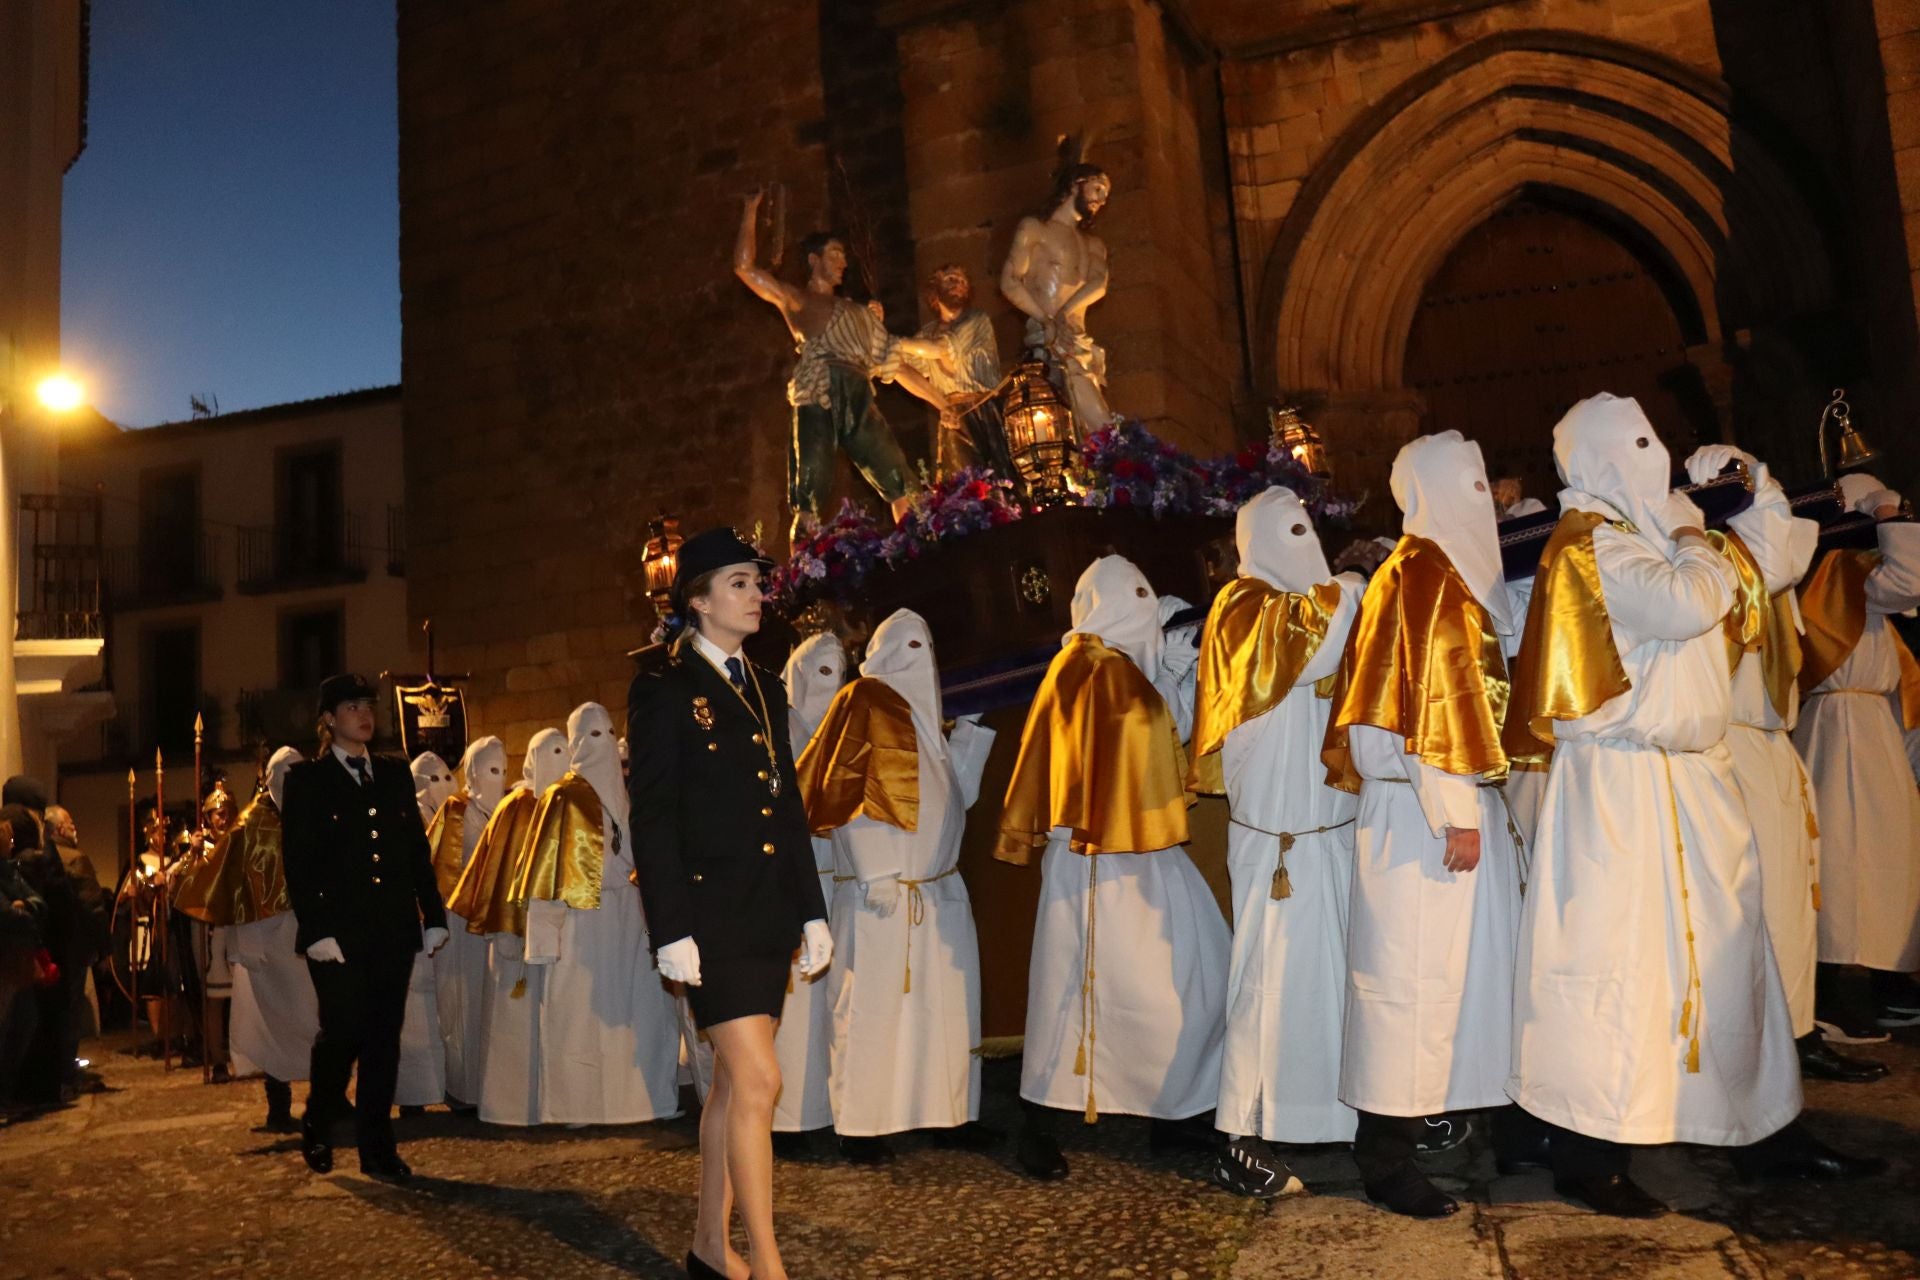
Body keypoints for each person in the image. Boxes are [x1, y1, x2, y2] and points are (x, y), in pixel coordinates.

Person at [1505, 394, 1879, 1219]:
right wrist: (1686, 526)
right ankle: (1587, 1147)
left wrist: (1753, 485)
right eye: (1636, 445)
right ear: (1599, 459)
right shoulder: (1587, 545)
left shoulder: (1664, 537)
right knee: (1620, 970)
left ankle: (1762, 1129)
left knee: (1734, 961)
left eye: (1658, 442)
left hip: (1700, 781)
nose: (1654, 458)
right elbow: (1685, 602)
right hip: (1618, 791)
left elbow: (1772, 562)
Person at [1321, 431, 1525, 1219]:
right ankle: (1385, 1158)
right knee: (1409, 988)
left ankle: (1488, 1125)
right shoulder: (1423, 577)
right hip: (1425, 818)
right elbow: (1428, 707)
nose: (1486, 503)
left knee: (1466, 984)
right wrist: (1453, 810)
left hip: (1450, 808)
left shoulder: (1434, 574)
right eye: (1470, 487)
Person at [629, 527, 833, 1280]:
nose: (756, 595)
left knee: (728, 1085)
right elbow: (652, 815)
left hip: (763, 911)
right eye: (740, 582)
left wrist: (809, 909)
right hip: (709, 915)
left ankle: (710, 1246)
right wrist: (670, 928)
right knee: (761, 1082)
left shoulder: (765, 684)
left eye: (757, 582)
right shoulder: (663, 687)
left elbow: (786, 805)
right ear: (699, 600)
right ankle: (769, 1265)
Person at [996, 555, 1229, 1181]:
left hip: (1143, 851)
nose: (1147, 613)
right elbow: (1146, 733)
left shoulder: (1105, 667)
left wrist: (1174, 679)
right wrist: (1175, 681)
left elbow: (1155, 738)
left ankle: (1176, 1113)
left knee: (1191, 981)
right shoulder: (1089, 666)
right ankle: (1037, 1124)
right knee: (1080, 995)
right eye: (1138, 600)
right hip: (1100, 863)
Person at [1687, 448, 1887, 1083]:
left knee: (1795, 904)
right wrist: (1755, 484)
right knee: (1767, 906)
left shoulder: (1747, 557)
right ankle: (1772, 1046)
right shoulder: (1717, 560)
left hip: (1771, 740)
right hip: (1735, 742)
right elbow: (1783, 548)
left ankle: (1798, 1033)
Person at [1190, 487, 1364, 1198]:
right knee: (1266, 986)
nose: (1305, 545)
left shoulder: (1300, 604)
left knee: (1327, 988)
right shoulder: (1245, 608)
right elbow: (1318, 648)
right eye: (1289, 532)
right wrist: (1354, 586)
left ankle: (1333, 1117)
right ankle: (1237, 1136)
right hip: (1280, 849)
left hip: (1330, 836)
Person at [796, 610, 997, 1164]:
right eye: (908, 647)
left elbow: (953, 799)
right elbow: (852, 794)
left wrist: (974, 732)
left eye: (926, 646)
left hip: (935, 892)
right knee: (872, 1013)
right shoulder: (867, 703)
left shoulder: (920, 715)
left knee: (944, 1015)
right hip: (882, 894)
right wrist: (876, 869)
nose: (920, 658)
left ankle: (947, 1114)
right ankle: (860, 1125)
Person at [281, 674, 449, 1183]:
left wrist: (433, 914)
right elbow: (300, 862)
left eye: (368, 705)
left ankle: (377, 1148)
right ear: (329, 719)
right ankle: (320, 1112)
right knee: (344, 1033)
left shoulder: (395, 775)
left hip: (392, 928)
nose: (364, 714)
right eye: (351, 706)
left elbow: (415, 851)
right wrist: (316, 929)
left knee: (383, 1041)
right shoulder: (307, 781)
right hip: (338, 933)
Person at [509, 703, 683, 1126]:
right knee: (580, 1015)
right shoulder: (562, 797)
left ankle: (645, 1100)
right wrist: (543, 937)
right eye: (591, 735)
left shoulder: (627, 793)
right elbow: (544, 874)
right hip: (582, 922)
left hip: (630, 915)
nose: (601, 743)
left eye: (607, 732)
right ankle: (578, 1105)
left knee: (640, 1008)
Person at [1792, 471, 1920, 1034]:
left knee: (1887, 859)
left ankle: (1886, 981)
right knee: (1843, 862)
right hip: (1841, 728)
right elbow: (1913, 577)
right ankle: (1833, 991)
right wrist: (1885, 506)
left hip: (1869, 727)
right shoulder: (1837, 572)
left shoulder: (1853, 572)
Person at [734, 193, 919, 539]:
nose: (843, 262)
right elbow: (745, 268)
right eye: (835, 253)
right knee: (810, 487)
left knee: (898, 476)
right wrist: (750, 210)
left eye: (844, 256)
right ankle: (805, 574)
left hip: (858, 388)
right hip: (819, 390)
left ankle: (916, 548)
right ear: (813, 260)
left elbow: (895, 362)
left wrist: (946, 404)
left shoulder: (859, 313)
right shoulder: (798, 298)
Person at [460, 728, 569, 1127]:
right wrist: (505, 929)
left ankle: (548, 1104)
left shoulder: (560, 803)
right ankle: (508, 1107)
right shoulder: (517, 806)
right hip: (512, 939)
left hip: (546, 940)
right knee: (512, 1026)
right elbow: (498, 875)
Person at [772, 633, 847, 1147]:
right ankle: (793, 1119)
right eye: (822, 673)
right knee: (798, 1008)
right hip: (797, 883)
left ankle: (838, 1108)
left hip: (840, 881)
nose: (834, 686)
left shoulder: (847, 729)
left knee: (835, 1005)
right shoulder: (782, 730)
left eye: (841, 674)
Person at [1000, 151, 1115, 430]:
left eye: (1105, 194)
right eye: (1097, 189)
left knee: (1087, 430)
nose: (1101, 200)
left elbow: (1099, 284)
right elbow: (1010, 281)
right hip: (1048, 345)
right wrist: (1045, 319)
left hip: (1078, 345)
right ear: (1076, 184)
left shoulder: (1093, 245)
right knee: (1100, 429)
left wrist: (1064, 312)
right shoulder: (1035, 229)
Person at [426, 736, 508, 1108]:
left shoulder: (504, 809)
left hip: (493, 926)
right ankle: (461, 1088)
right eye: (492, 770)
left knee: (489, 1007)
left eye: (504, 770)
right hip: (461, 927)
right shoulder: (457, 811)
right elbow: (442, 871)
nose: (499, 778)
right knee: (461, 1005)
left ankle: (490, 1086)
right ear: (473, 772)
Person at [891, 264, 1015, 481]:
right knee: (963, 483)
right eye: (950, 279)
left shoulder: (976, 320)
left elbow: (940, 349)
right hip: (951, 413)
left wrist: (891, 342)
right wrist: (942, 405)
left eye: (962, 281)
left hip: (984, 411)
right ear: (935, 288)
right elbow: (898, 366)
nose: (957, 284)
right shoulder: (927, 333)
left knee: (997, 479)